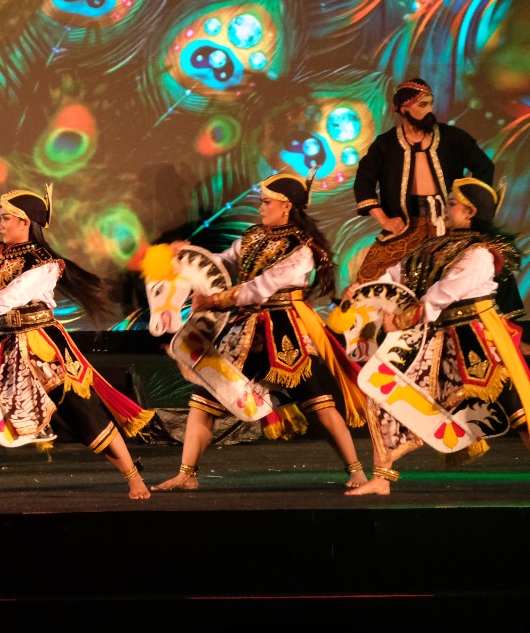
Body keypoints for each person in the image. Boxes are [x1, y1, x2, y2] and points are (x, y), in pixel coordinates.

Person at [0, 187, 153, 502]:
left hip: (38, 345)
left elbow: (12, 296)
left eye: (6, 218)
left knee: (81, 412)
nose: (0, 224)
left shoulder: (45, 264)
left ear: (25, 221)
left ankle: (133, 477)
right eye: (1, 218)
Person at [153, 173, 367, 493]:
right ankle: (187, 474)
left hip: (285, 331)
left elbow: (261, 288)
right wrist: (185, 256)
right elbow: (221, 264)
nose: (261, 207)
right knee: (204, 398)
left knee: (319, 403)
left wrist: (214, 300)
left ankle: (357, 472)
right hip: (244, 329)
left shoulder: (302, 248)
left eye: (266, 202)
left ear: (286, 206)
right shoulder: (253, 236)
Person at [347, 178, 530, 495]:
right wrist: (364, 290)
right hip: (436, 338)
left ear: (470, 212)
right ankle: (381, 478)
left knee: (519, 410)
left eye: (453, 204)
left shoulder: (480, 253)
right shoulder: (432, 247)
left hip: (478, 339)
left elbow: (444, 292)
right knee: (383, 394)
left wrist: (404, 318)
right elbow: (397, 275)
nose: (446, 208)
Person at [353, 78, 495, 283]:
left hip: (449, 224)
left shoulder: (451, 137)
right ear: (404, 109)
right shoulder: (386, 144)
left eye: (431, 103)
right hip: (407, 225)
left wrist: (469, 208)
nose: (429, 109)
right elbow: (363, 181)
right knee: (370, 278)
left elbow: (484, 166)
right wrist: (385, 220)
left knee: (466, 272)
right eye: (422, 104)